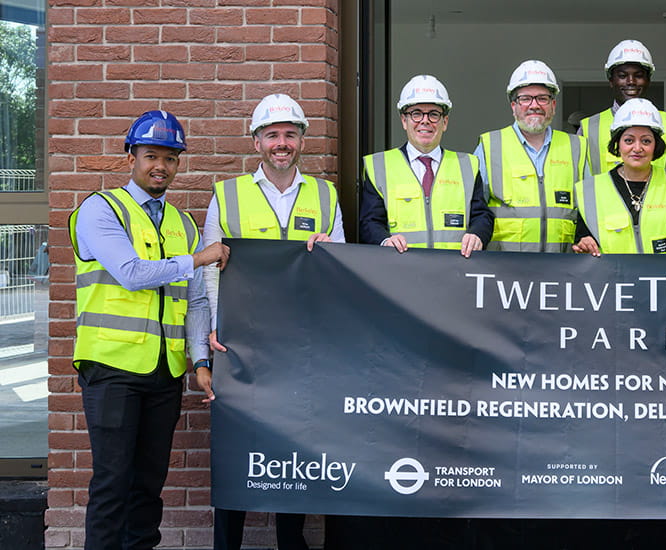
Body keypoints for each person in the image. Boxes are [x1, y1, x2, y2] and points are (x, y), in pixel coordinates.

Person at [69, 110, 229, 550]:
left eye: (170, 158)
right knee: (112, 483)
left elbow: (195, 301)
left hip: (163, 373)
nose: (160, 165)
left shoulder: (182, 223)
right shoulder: (100, 210)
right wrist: (199, 258)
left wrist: (199, 360)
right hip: (112, 368)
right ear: (131, 157)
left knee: (148, 487)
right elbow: (132, 272)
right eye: (151, 155)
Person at [201, 93, 344, 550]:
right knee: (235, 452)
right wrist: (210, 340)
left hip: (301, 347)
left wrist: (328, 254)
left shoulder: (325, 195)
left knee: (292, 451)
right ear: (257, 141)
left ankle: (291, 544)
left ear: (301, 140)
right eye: (271, 135)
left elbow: (340, 272)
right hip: (240, 345)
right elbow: (209, 271)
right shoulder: (227, 194)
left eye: (289, 135)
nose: (281, 143)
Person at [360, 75, 492, 254]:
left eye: (433, 114)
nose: (425, 121)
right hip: (401, 272)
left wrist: (477, 235)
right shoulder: (379, 166)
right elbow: (369, 222)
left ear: (444, 122)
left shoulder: (467, 166)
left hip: (454, 272)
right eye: (416, 113)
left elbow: (482, 216)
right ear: (403, 121)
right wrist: (384, 240)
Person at [475, 59, 587, 252]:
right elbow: (475, 211)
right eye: (525, 99)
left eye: (542, 98)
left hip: (562, 268)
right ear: (513, 106)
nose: (534, 105)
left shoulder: (577, 146)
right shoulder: (490, 145)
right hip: (504, 270)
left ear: (553, 105)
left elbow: (590, 211)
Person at [573, 98, 666, 255]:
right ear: (617, 144)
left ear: (656, 145)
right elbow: (583, 238)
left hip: (665, 276)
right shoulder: (589, 190)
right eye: (629, 140)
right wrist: (584, 243)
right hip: (612, 277)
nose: (637, 148)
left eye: (646, 141)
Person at [578, 40, 666, 174]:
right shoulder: (589, 127)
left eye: (639, 76)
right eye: (622, 76)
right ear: (611, 80)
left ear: (648, 80)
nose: (631, 82)